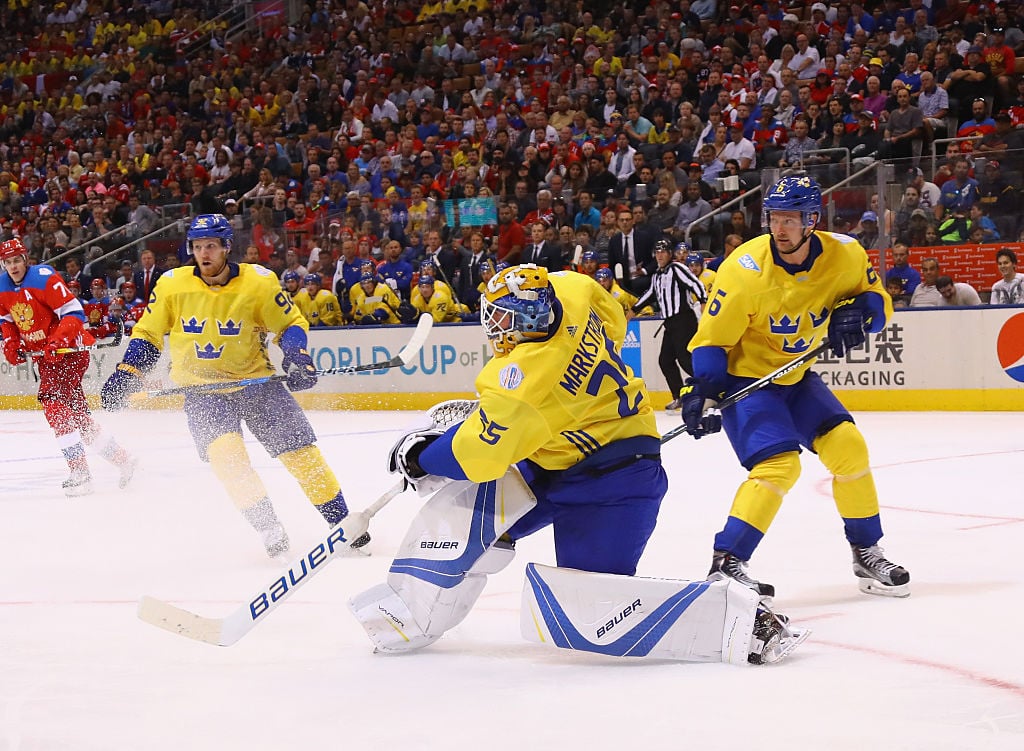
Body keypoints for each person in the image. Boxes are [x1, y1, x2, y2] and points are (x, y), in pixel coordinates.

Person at [351, 264, 803, 664]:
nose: (500, 327)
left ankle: (741, 619)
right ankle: (407, 616)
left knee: (587, 616)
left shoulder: (523, 381)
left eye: (507, 318)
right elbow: (612, 317)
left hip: (615, 482)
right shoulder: (567, 288)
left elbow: (479, 455)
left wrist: (420, 454)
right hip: (557, 457)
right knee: (457, 516)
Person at [679, 176, 910, 599]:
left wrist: (860, 317)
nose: (779, 228)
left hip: (796, 377)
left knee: (850, 448)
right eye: (774, 218)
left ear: (812, 221)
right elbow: (712, 341)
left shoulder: (845, 253)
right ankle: (726, 562)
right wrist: (704, 390)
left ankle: (866, 551)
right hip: (749, 383)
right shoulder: (744, 270)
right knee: (779, 466)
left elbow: (878, 303)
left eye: (790, 219)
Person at [99, 215, 365, 557]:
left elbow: (289, 324)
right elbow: (149, 333)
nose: (204, 253)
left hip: (258, 385)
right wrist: (128, 372)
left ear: (226, 247)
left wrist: (297, 355)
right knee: (229, 460)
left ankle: (341, 521)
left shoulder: (259, 282)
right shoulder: (171, 285)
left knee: (301, 454)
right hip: (202, 394)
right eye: (197, 247)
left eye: (211, 245)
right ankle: (269, 529)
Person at [0, 238, 136, 496]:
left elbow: (74, 313)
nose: (14, 266)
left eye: (17, 260)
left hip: (69, 351)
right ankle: (125, 460)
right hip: (48, 356)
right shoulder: (2, 286)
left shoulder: (43, 277)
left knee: (52, 403)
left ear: (25, 258)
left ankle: (80, 472)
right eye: (8, 262)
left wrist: (58, 340)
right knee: (78, 419)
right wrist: (11, 342)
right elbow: (6, 320)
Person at [631, 239, 706, 412]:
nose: (660, 255)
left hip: (684, 319)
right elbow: (650, 294)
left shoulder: (677, 269)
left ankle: (709, 390)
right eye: (657, 252)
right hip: (670, 323)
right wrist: (634, 310)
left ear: (670, 254)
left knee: (685, 359)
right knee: (665, 360)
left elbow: (696, 284)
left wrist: (703, 300)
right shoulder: (657, 274)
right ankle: (679, 396)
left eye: (663, 252)